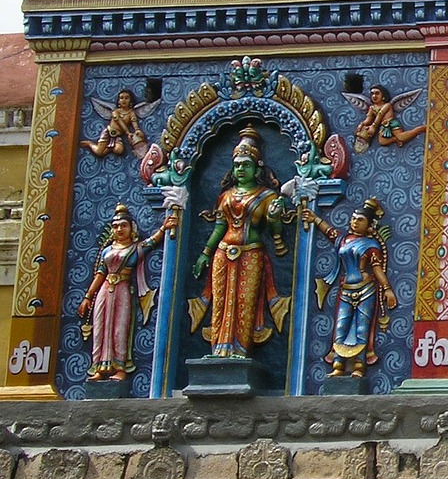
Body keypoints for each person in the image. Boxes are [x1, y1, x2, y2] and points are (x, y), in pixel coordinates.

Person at [191, 127, 290, 357]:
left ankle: (241, 350)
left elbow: (275, 229)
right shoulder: (225, 196)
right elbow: (219, 228)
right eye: (237, 165)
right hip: (223, 253)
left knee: (245, 301)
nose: (241, 169)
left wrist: (275, 216)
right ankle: (218, 349)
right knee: (221, 301)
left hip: (251, 253)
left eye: (246, 164)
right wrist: (205, 253)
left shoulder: (267, 196)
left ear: (257, 168)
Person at [77, 205, 176, 380]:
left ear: (132, 228)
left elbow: (151, 242)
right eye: (115, 226)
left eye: (123, 225)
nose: (119, 229)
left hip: (123, 289)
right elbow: (100, 274)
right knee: (100, 327)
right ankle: (100, 366)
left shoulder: (134, 248)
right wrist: (88, 297)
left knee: (120, 328)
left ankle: (120, 367)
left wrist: (163, 228)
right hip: (105, 290)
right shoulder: (107, 251)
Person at [302, 197, 397, 379]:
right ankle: (339, 365)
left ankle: (359, 366)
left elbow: (377, 269)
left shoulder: (371, 245)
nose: (354, 222)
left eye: (360, 220)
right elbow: (329, 232)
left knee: (362, 328)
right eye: (353, 218)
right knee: (341, 326)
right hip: (346, 288)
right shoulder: (344, 240)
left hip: (366, 288)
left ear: (370, 225)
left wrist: (387, 289)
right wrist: (315, 219)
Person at [82, 89, 149, 157]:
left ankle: (110, 147)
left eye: (126, 98)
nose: (124, 100)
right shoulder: (115, 112)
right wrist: (128, 133)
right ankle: (89, 144)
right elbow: (120, 123)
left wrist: (137, 130)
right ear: (118, 101)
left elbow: (134, 122)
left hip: (117, 136)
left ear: (130, 101)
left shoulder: (131, 113)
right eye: (121, 98)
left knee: (119, 150)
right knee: (99, 152)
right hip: (109, 132)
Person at [354, 85, 427, 149]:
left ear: (383, 96)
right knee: (382, 141)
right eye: (372, 93)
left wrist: (373, 126)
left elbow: (380, 114)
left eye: (377, 93)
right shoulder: (372, 108)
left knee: (401, 137)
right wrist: (362, 124)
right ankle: (395, 140)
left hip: (392, 123)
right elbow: (369, 119)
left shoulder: (387, 105)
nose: (374, 96)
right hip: (384, 126)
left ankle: (420, 129)